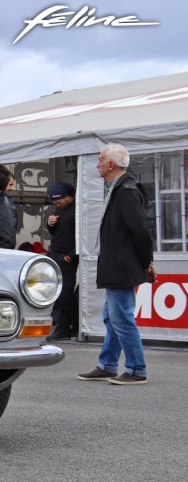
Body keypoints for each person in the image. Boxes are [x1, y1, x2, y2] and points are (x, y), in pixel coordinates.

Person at [78, 144, 154, 385]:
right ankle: (108, 365)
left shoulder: (126, 189)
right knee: (112, 316)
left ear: (111, 164)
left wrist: (146, 261)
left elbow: (141, 230)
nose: (97, 164)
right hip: (117, 263)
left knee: (121, 317)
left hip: (123, 264)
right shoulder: (118, 187)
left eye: (100, 160)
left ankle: (136, 369)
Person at [46, 182, 79, 340]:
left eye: (59, 201)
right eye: (54, 203)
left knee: (65, 292)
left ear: (69, 197)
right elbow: (56, 231)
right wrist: (50, 223)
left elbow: (82, 233)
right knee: (54, 292)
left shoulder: (78, 209)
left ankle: (74, 323)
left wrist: (72, 255)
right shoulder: (59, 207)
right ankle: (62, 326)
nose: (57, 205)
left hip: (67, 256)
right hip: (55, 252)